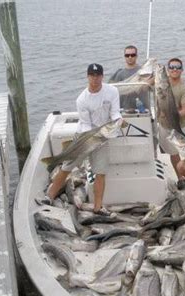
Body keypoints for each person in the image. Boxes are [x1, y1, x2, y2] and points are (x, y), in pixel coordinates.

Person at [37, 63, 122, 213]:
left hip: (102, 138)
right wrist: (94, 139)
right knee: (66, 168)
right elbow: (86, 125)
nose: (95, 79)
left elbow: (115, 113)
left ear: (102, 76)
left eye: (98, 76)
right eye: (92, 76)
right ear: (87, 76)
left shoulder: (112, 91)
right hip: (84, 136)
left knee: (100, 172)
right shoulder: (82, 99)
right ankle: (49, 196)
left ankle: (97, 207)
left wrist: (119, 120)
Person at [159, 57, 185, 190]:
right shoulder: (161, 85)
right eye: (171, 67)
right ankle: (181, 178)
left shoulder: (184, 89)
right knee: (173, 154)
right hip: (164, 126)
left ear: (182, 70)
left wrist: (170, 113)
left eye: (177, 67)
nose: (174, 69)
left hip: (181, 126)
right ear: (167, 70)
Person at [109, 45, 150, 111]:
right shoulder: (119, 74)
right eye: (127, 55)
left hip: (143, 111)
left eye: (133, 55)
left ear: (136, 56)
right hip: (124, 111)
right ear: (124, 57)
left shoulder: (143, 71)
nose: (130, 57)